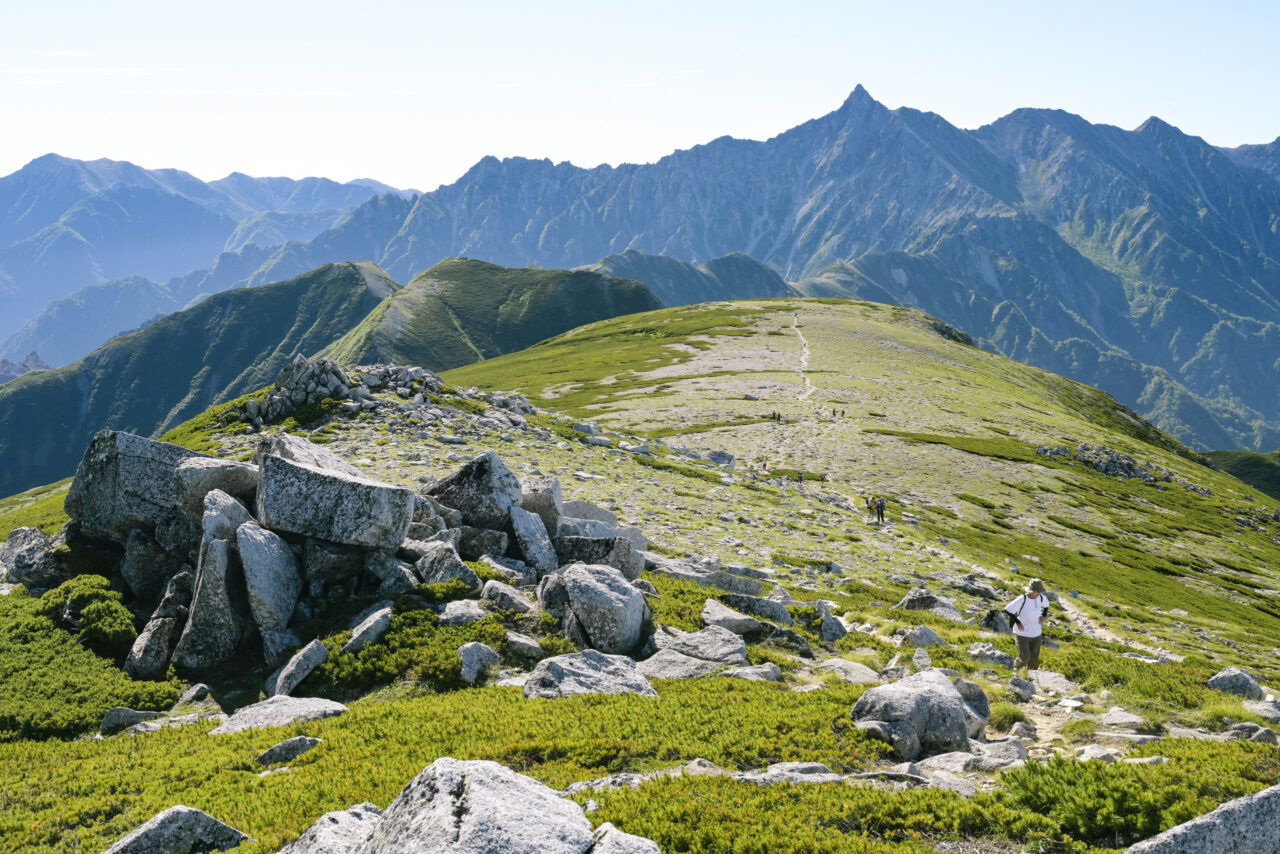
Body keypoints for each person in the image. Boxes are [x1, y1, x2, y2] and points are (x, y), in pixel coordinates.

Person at [1004, 579, 1050, 671]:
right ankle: (1017, 671)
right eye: (1036, 592)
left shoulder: (1041, 597)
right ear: (1031, 591)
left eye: (1040, 592)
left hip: (1036, 633)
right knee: (1024, 658)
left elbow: (1046, 605)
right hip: (1022, 634)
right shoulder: (1022, 599)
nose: (1038, 594)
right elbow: (1008, 610)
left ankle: (1031, 677)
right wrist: (1018, 622)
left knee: (1034, 660)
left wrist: (1043, 615)